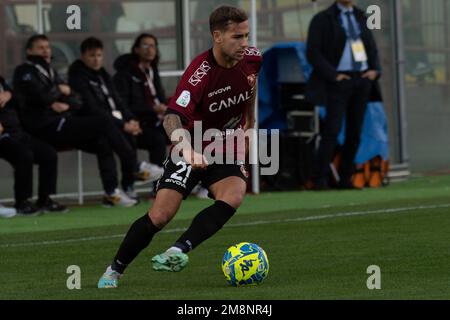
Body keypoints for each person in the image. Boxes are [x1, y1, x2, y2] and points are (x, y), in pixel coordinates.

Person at [98, 5, 261, 288]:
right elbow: (171, 117)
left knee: (234, 195)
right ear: (217, 36)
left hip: (225, 143)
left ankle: (178, 249)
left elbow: (250, 87)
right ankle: (114, 270)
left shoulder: (253, 58)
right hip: (191, 143)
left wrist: (249, 125)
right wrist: (187, 150)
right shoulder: (199, 73)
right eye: (237, 37)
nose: (244, 44)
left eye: (246, 35)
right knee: (160, 216)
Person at [13, 34, 141, 207]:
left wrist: (63, 101)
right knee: (102, 122)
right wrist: (58, 92)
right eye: (40, 47)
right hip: (44, 126)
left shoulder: (51, 70)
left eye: (47, 47)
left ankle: (111, 193)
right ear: (29, 51)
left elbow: (76, 99)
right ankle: (134, 166)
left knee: (103, 141)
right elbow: (41, 97)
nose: (45, 51)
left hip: (60, 122)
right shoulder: (25, 71)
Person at [68, 37, 163, 199]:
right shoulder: (78, 77)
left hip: (110, 123)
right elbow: (93, 108)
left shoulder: (103, 74)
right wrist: (122, 124)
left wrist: (131, 120)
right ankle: (130, 174)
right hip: (86, 124)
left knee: (136, 136)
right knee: (106, 140)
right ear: (83, 56)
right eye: (92, 56)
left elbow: (118, 101)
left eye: (99, 55)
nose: (96, 59)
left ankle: (124, 187)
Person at [306, 0, 382, 190]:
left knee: (355, 131)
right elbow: (313, 52)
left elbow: (371, 46)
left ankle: (346, 178)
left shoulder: (361, 16)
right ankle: (320, 178)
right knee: (331, 130)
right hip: (339, 81)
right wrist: (333, 74)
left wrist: (375, 70)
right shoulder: (322, 19)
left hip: (362, 80)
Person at [0, 75, 66, 215]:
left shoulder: (2, 81)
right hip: (2, 135)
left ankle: (45, 199)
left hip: (17, 131)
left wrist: (9, 94)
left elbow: (19, 100)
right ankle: (22, 202)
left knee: (48, 154)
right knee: (24, 155)